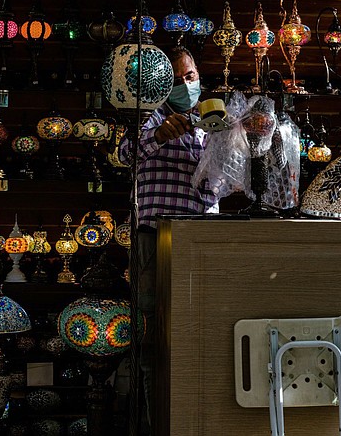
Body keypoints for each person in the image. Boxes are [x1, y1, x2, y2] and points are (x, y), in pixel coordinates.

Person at [118, 46, 219, 434]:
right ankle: (152, 421)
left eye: (190, 76)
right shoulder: (147, 116)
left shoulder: (213, 119)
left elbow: (233, 172)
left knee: (199, 332)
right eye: (176, 79)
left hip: (203, 241)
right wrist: (159, 135)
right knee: (151, 335)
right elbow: (127, 154)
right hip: (154, 239)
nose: (185, 84)